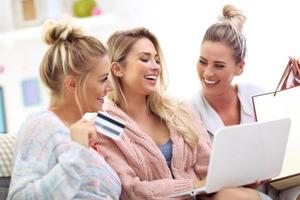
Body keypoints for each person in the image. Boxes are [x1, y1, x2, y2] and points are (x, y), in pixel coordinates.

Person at [95, 26, 264, 200]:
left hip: (203, 197)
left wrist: (235, 181)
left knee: (244, 196)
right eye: (145, 59)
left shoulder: (179, 109)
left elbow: (208, 168)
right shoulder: (106, 124)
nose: (155, 67)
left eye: (157, 60)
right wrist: (193, 186)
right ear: (117, 69)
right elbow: (131, 189)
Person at [189, 4, 300, 200]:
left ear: (239, 67)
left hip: (278, 189)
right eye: (203, 61)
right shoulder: (189, 111)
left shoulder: (258, 96)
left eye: (219, 65)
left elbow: (285, 154)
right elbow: (195, 180)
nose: (207, 73)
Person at [7, 20, 121, 200]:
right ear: (72, 83)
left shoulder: (83, 132)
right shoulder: (40, 125)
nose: (111, 87)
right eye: (103, 79)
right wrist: (78, 153)